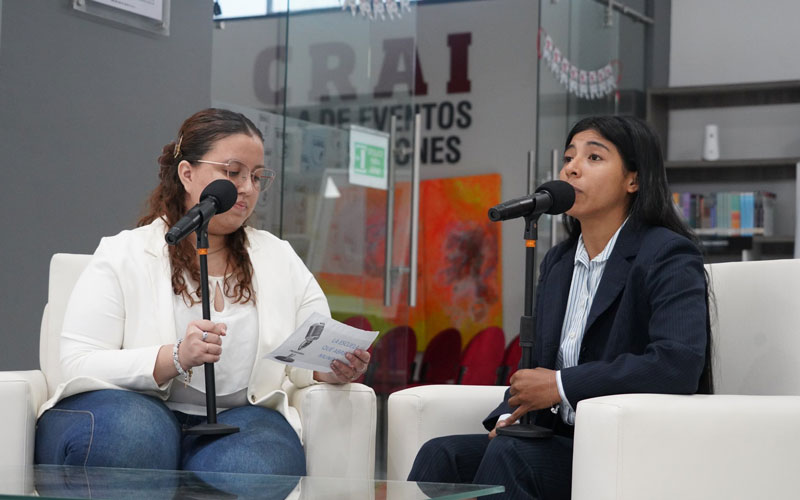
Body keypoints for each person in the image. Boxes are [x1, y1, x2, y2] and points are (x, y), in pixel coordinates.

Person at [34, 108, 371, 476]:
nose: (247, 188)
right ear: (187, 174)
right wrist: (174, 356)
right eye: (232, 173)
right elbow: (78, 361)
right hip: (132, 405)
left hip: (241, 418)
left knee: (253, 468)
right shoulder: (123, 253)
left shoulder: (279, 259)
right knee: (133, 438)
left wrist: (330, 369)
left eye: (257, 177)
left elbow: (305, 356)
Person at [408, 115, 713, 499]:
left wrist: (561, 385)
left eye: (594, 158)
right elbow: (536, 367)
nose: (571, 167)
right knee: (441, 455)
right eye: (569, 157)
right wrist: (508, 416)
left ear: (633, 180)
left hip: (625, 443)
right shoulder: (558, 262)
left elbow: (678, 363)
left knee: (512, 455)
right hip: (555, 438)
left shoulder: (666, 253)